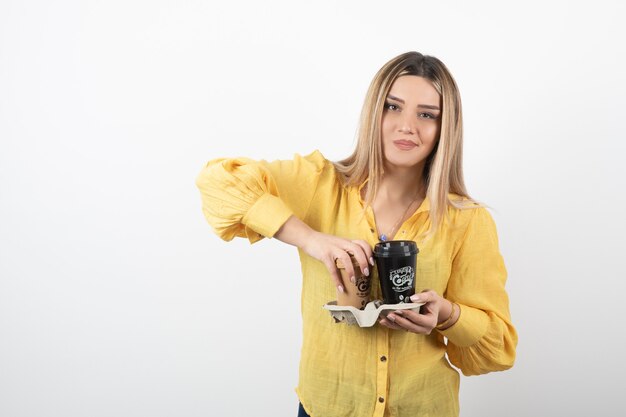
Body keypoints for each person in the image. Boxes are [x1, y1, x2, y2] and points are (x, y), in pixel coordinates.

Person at [196, 51, 517, 417]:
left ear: (446, 129)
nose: (407, 126)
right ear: (373, 112)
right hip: (327, 406)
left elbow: (497, 350)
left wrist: (446, 315)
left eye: (427, 115)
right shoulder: (319, 183)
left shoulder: (468, 220)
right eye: (393, 107)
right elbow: (217, 181)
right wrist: (312, 239)